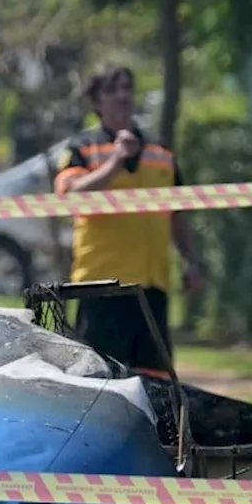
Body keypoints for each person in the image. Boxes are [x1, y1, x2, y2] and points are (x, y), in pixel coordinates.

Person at [52, 64, 204, 376]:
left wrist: (191, 260)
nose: (122, 96)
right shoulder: (83, 148)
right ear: (96, 101)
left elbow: (177, 215)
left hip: (151, 288)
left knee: (157, 385)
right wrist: (116, 161)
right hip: (101, 287)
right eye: (112, 89)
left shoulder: (161, 151)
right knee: (99, 382)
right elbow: (70, 195)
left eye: (127, 88)